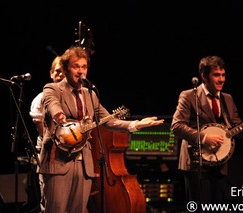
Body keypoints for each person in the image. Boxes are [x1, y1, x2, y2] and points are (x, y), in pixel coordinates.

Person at [38, 45, 164, 213]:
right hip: (58, 160)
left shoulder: (90, 94)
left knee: (78, 210)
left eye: (84, 67)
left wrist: (135, 124)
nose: (80, 71)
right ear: (66, 69)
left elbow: (108, 121)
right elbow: (51, 104)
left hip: (83, 163)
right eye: (76, 66)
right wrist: (59, 115)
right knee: (56, 210)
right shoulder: (52, 88)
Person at [170, 55, 243, 212]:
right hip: (196, 165)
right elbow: (176, 126)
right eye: (216, 75)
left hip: (220, 166)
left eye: (223, 75)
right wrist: (204, 138)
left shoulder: (227, 99)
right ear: (204, 76)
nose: (221, 79)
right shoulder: (188, 96)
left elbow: (238, 130)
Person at [30, 55, 64, 212]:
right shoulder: (41, 99)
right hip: (50, 153)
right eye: (57, 71)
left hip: (70, 154)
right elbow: (44, 133)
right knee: (51, 202)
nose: (60, 74)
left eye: (64, 71)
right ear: (51, 73)